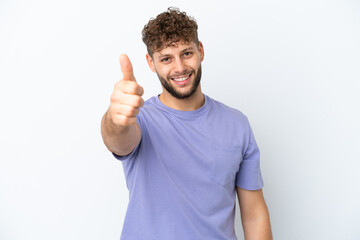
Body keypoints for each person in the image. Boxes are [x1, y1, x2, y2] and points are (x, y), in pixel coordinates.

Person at [101, 7, 272, 240]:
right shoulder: (140, 119)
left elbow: (254, 214)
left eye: (186, 53)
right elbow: (118, 141)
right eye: (166, 58)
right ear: (151, 63)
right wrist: (115, 118)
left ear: (200, 51)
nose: (180, 67)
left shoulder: (237, 125)